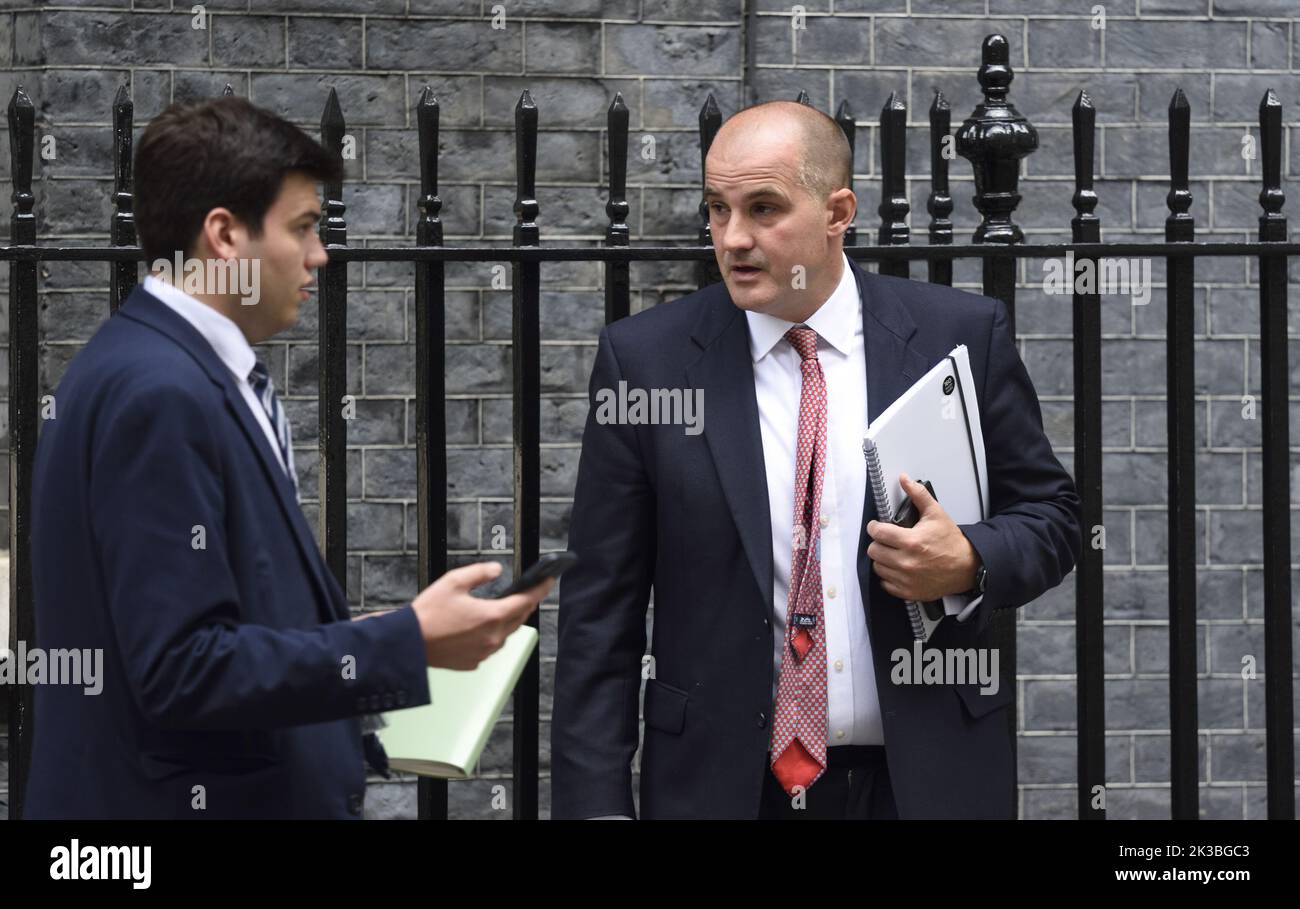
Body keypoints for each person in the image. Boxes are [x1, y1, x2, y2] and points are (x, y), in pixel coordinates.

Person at [23, 97, 551, 819]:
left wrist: (369, 638)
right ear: (224, 235)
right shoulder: (161, 392)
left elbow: (218, 621)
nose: (319, 254)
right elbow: (181, 669)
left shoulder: (167, 369)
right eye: (302, 227)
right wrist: (406, 643)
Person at [551, 100, 1081, 820]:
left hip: (923, 782)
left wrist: (969, 559)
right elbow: (598, 615)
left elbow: (1053, 516)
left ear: (839, 211)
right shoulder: (647, 362)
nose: (733, 237)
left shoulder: (957, 335)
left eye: (764, 208)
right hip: (726, 789)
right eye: (717, 208)